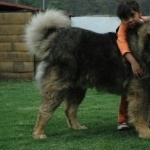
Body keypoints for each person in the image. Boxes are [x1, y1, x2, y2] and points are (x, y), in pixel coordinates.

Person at [116, 0, 150, 130]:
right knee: (128, 94)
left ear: (139, 13)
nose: (130, 20)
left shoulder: (145, 21)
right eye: (125, 18)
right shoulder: (122, 29)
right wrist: (134, 63)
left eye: (132, 16)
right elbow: (123, 46)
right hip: (126, 59)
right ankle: (122, 120)